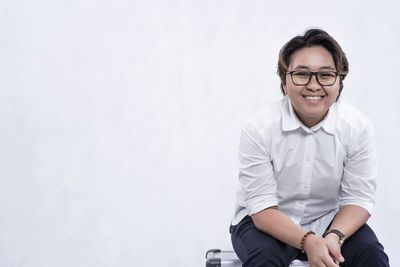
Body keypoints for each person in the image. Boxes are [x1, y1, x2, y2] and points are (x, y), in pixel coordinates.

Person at [229, 28, 390, 267]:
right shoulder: (258, 127)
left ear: (339, 82)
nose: (314, 85)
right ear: (285, 81)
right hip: (264, 224)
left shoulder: (357, 127)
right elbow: (262, 208)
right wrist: (308, 241)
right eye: (302, 74)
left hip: (330, 222)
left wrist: (334, 236)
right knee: (265, 259)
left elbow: (359, 198)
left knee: (371, 254)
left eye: (325, 75)